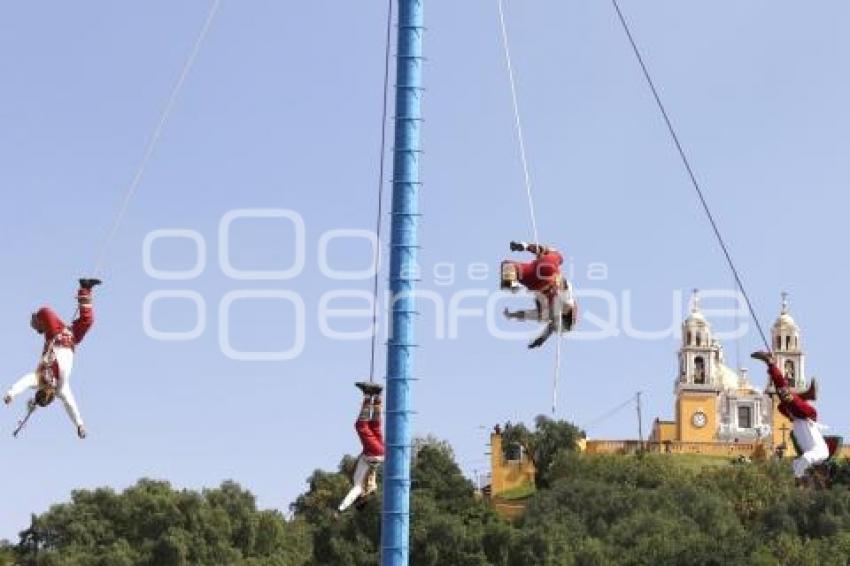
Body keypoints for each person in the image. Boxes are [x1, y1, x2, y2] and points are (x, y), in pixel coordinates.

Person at [4, 279, 101, 439]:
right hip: (71, 338)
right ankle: (85, 288)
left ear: (42, 389)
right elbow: (71, 406)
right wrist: (79, 425)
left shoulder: (38, 378)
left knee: (46, 312)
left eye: (45, 389)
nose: (49, 387)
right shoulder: (61, 389)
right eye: (50, 392)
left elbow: (25, 381)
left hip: (55, 335)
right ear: (52, 395)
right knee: (88, 321)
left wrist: (11, 394)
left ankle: (37, 323)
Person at [751, 351, 829, 483]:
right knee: (784, 394)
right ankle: (771, 364)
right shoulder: (821, 455)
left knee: (782, 404)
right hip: (806, 416)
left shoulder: (815, 455)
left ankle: (807, 395)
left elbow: (801, 460)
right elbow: (807, 459)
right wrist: (797, 475)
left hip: (798, 418)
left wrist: (792, 473)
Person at [501, 241, 577, 348]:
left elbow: (527, 315)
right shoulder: (553, 311)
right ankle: (512, 281)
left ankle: (511, 280)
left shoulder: (548, 314)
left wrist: (512, 315)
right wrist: (541, 339)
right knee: (507, 265)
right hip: (541, 278)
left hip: (541, 272)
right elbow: (530, 316)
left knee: (507, 265)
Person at [338, 381, 385, 512]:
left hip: (376, 454)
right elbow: (351, 496)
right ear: (359, 500)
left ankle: (377, 395)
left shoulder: (370, 488)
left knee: (374, 426)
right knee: (361, 426)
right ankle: (368, 396)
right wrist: (340, 509)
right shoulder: (360, 488)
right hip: (373, 454)